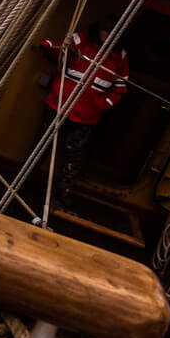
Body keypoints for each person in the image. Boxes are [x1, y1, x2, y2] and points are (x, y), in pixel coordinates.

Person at [38, 19, 130, 209]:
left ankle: (63, 195)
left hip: (87, 116)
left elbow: (120, 87)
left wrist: (103, 104)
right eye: (106, 31)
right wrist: (49, 46)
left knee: (73, 156)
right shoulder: (83, 41)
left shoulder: (120, 57)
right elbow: (63, 52)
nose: (108, 36)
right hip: (59, 105)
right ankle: (24, 179)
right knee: (42, 145)